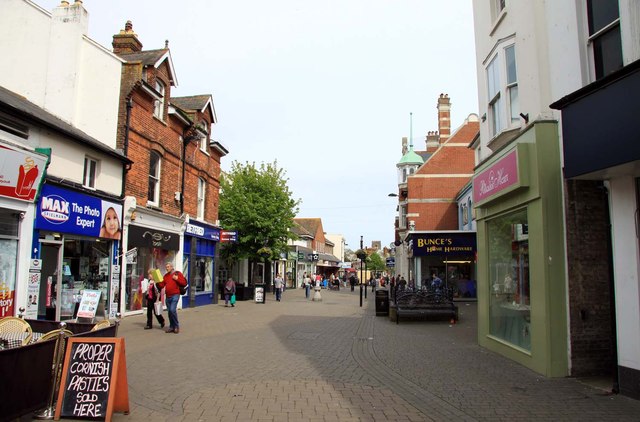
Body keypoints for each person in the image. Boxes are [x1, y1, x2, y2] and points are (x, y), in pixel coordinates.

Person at [156, 263, 186, 334]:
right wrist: (157, 281)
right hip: (168, 296)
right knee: (169, 312)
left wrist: (177, 279)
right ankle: (172, 327)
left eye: (168, 267)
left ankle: (176, 326)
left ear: (172, 267)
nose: (167, 268)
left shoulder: (177, 273)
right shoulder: (166, 276)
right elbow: (162, 285)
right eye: (166, 267)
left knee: (172, 310)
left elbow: (184, 283)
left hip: (175, 295)